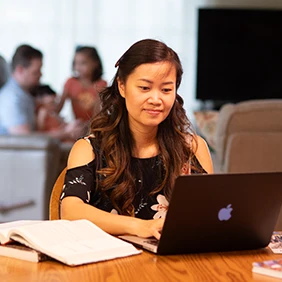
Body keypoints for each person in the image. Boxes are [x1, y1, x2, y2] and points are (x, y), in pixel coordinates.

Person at [60, 39, 213, 240]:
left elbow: (210, 214)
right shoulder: (88, 149)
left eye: (166, 90)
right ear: (122, 86)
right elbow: (70, 212)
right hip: (108, 265)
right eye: (144, 88)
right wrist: (139, 226)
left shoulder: (192, 147)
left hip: (173, 264)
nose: (156, 99)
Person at [57, 46, 107, 122]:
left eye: (83, 63)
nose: (78, 67)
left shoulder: (101, 84)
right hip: (78, 125)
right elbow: (58, 108)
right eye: (76, 63)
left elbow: (98, 113)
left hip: (94, 125)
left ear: (95, 63)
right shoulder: (70, 82)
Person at [0, 44, 42, 134]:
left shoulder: (24, 94)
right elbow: (25, 139)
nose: (40, 75)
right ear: (20, 70)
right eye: (35, 72)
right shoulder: (11, 98)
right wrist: (64, 133)